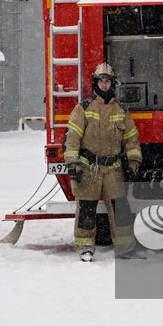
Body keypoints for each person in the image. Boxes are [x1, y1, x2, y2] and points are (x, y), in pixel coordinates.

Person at [63, 62, 142, 261]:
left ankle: (125, 247)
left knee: (119, 209)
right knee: (87, 208)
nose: (104, 85)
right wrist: (72, 164)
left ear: (112, 84)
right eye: (101, 81)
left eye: (108, 81)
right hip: (88, 168)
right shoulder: (84, 108)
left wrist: (133, 163)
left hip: (113, 169)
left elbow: (131, 139)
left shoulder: (121, 111)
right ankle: (85, 246)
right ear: (95, 83)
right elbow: (72, 137)